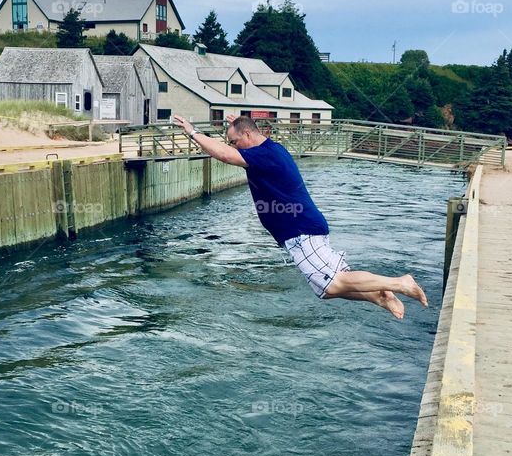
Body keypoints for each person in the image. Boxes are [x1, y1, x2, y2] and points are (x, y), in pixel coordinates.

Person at [171, 114, 428, 319]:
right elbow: (237, 142)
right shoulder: (271, 148)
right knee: (325, 289)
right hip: (304, 227)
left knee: (331, 284)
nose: (232, 146)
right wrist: (236, 126)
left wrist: (193, 132)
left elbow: (224, 155)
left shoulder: (264, 155)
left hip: (300, 231)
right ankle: (378, 296)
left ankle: (399, 283)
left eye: (235, 140)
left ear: (248, 135)